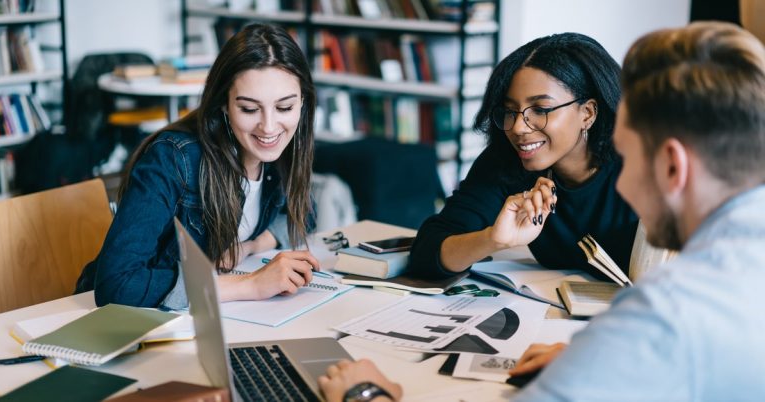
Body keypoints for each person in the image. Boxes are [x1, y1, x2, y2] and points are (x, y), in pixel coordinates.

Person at [318, 21, 765, 401]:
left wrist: (369, 395)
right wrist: (601, 358)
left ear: (672, 166)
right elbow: (433, 244)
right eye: (510, 112)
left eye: (629, 156)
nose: (519, 127)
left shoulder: (665, 310)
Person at [75, 23, 321, 310]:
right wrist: (252, 284)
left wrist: (251, 246)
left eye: (284, 107)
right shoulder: (172, 159)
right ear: (224, 106)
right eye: (249, 109)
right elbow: (116, 285)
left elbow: (304, 211)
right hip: (125, 322)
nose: (268, 127)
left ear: (302, 102)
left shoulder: (282, 148)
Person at [408, 32, 639, 280]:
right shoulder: (507, 162)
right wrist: (492, 239)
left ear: (588, 113)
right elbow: (426, 254)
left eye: (540, 109)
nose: (518, 127)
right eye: (510, 111)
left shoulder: (644, 166)